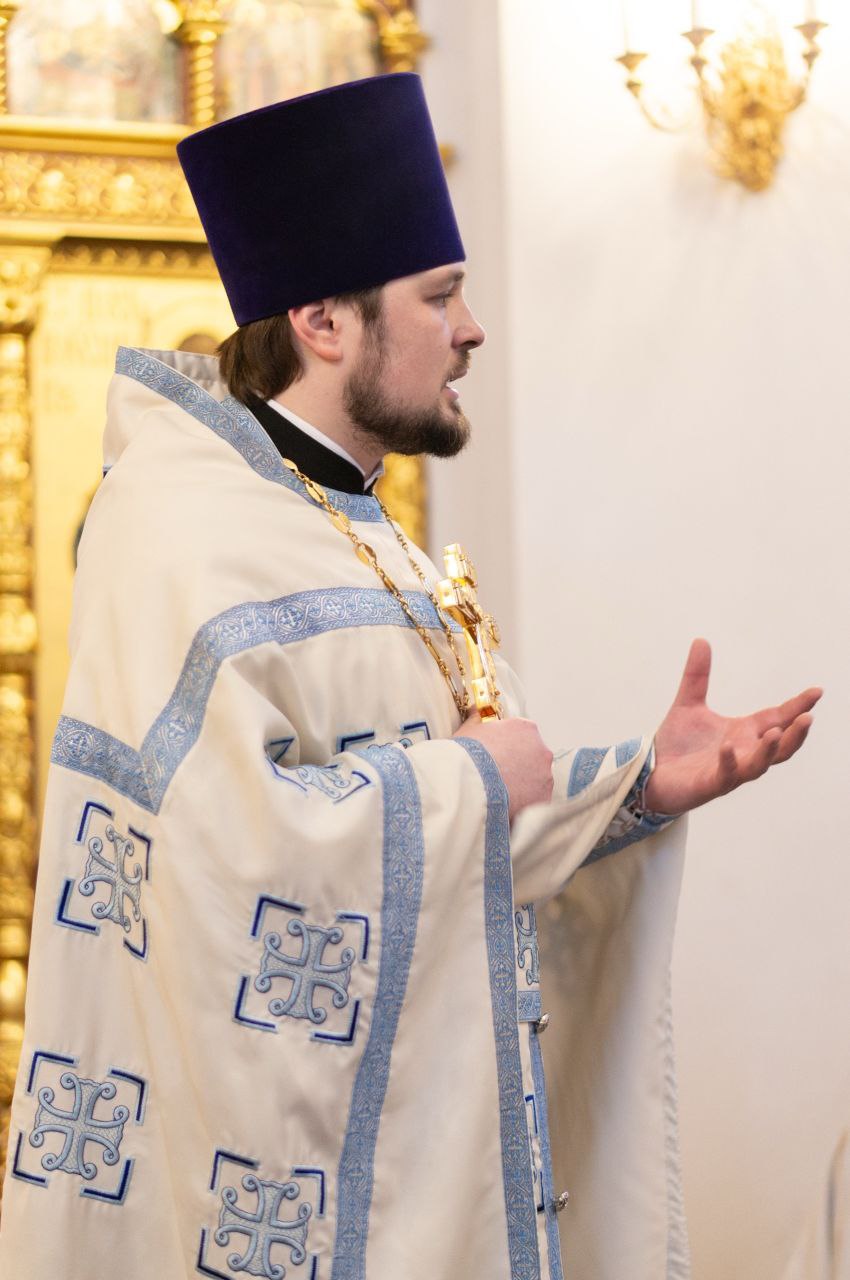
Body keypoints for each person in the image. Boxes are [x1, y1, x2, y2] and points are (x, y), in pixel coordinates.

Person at [0, 74, 819, 1280]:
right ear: (324, 321)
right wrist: (466, 779)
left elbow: (464, 836)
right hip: (281, 1199)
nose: (471, 328)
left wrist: (638, 785)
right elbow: (222, 864)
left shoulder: (365, 530)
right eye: (439, 295)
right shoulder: (176, 532)